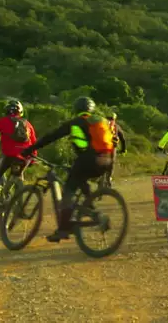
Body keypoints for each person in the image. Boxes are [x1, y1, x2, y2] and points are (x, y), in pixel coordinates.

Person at [21, 97, 114, 242]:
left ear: (76, 109)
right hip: (106, 160)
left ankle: (63, 229)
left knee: (68, 192)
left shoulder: (76, 122)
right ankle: (94, 211)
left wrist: (30, 149)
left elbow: (52, 136)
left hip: (88, 160)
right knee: (80, 179)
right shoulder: (100, 121)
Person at [0, 100, 37, 213]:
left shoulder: (2, 121)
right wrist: (32, 159)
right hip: (25, 156)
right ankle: (20, 207)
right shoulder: (27, 124)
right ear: (21, 111)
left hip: (8, 155)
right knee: (19, 176)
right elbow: (33, 143)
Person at [106, 112, 127, 187]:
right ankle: (108, 178)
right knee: (112, 163)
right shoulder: (116, 126)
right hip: (112, 148)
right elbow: (123, 139)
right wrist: (123, 150)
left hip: (100, 148)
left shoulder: (101, 125)